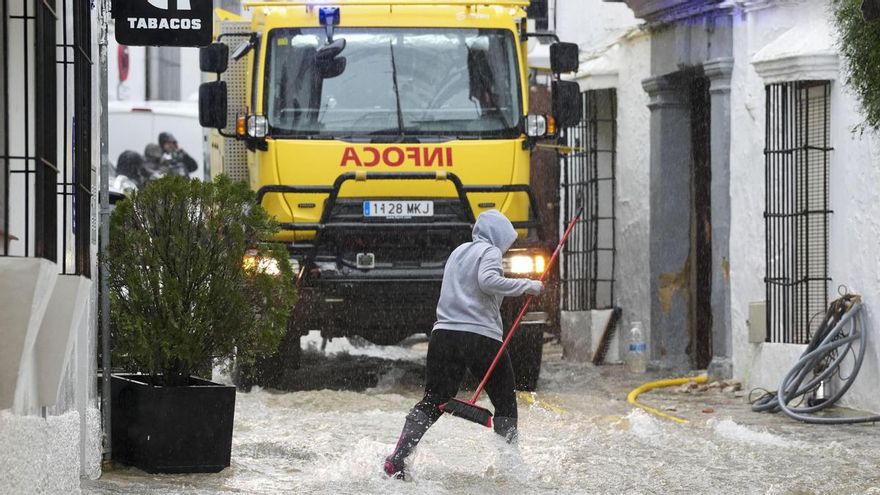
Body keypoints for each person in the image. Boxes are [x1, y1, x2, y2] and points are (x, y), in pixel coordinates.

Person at [383, 210, 543, 480]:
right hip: (480, 337)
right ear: (498, 236)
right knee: (506, 403)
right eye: (507, 240)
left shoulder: (457, 252)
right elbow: (487, 281)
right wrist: (528, 285)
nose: (506, 247)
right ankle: (511, 470)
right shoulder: (490, 251)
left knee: (433, 399)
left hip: (444, 335)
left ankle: (397, 459)